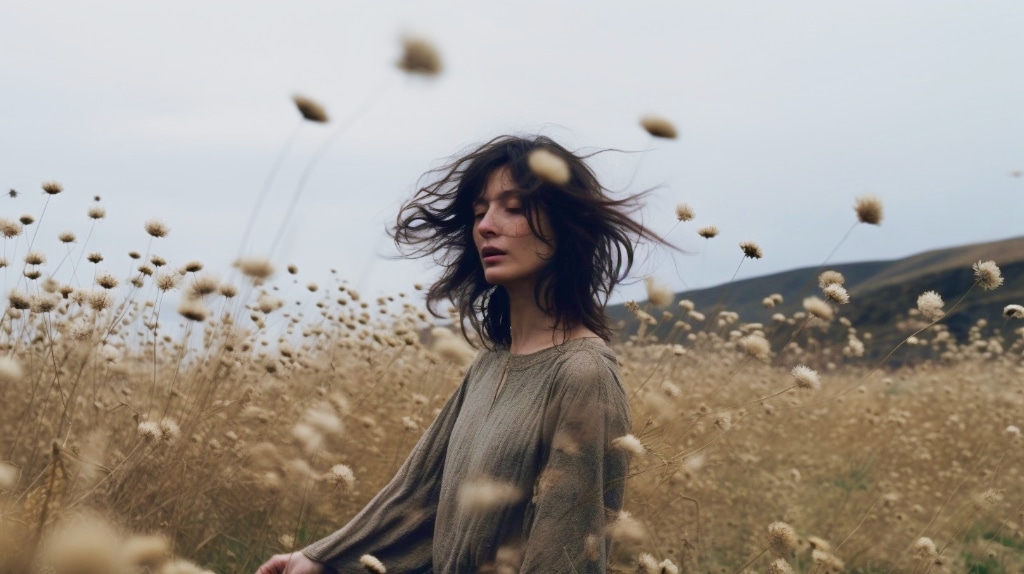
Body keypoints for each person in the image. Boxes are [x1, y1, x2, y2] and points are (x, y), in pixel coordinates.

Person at [256, 135, 664, 574]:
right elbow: (420, 498)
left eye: (513, 208)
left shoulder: (584, 373)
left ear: (565, 227)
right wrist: (319, 560)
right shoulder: (489, 366)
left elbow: (565, 549)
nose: (487, 225)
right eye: (479, 212)